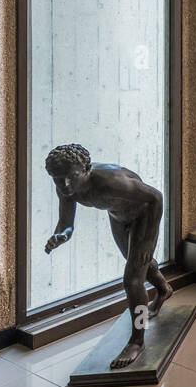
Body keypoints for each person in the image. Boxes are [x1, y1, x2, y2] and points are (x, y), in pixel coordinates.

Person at [44, 143, 172, 368]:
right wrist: (60, 236)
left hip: (144, 215)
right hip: (117, 217)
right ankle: (163, 290)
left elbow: (156, 197)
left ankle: (137, 340)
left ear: (85, 169)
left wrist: (149, 235)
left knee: (133, 280)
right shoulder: (66, 187)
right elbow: (66, 224)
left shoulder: (111, 181)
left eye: (69, 178)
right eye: (57, 179)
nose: (64, 185)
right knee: (140, 265)